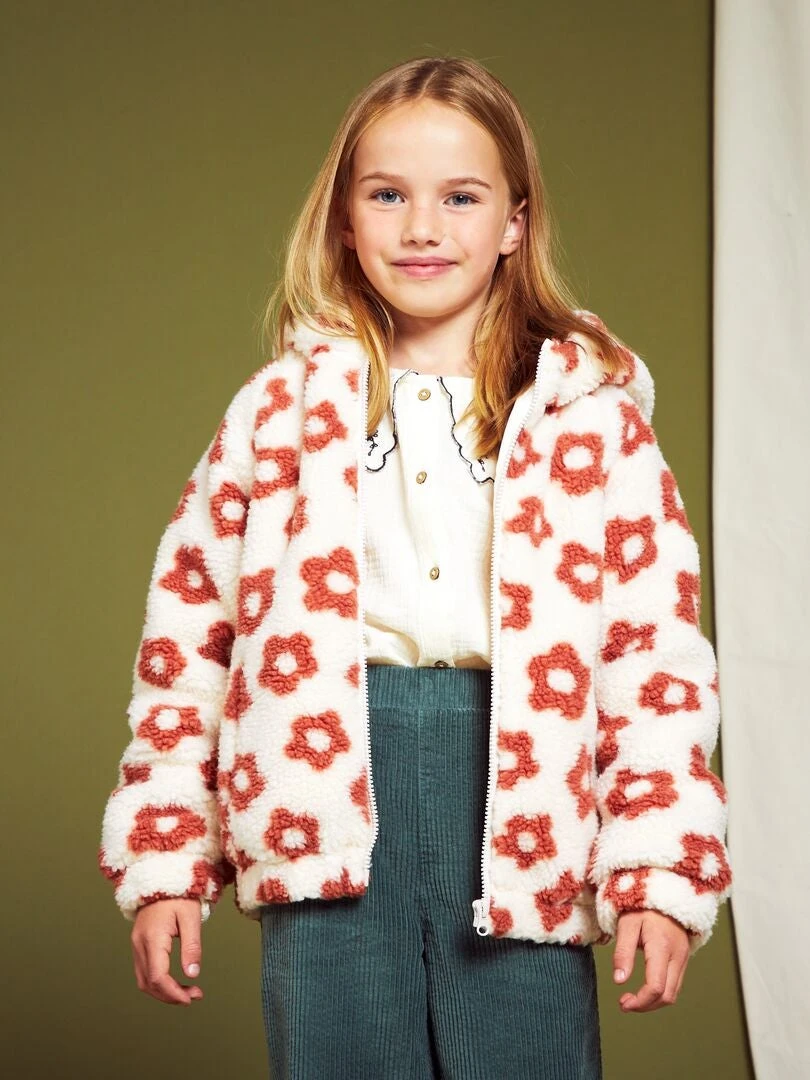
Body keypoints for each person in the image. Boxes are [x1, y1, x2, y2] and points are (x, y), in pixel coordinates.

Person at [98, 55, 733, 1078]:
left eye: (461, 198)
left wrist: (659, 870)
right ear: (345, 221)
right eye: (388, 195)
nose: (422, 228)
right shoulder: (276, 416)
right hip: (320, 798)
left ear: (515, 222)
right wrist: (167, 856)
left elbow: (655, 663)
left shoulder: (594, 424)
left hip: (530, 811)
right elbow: (187, 645)